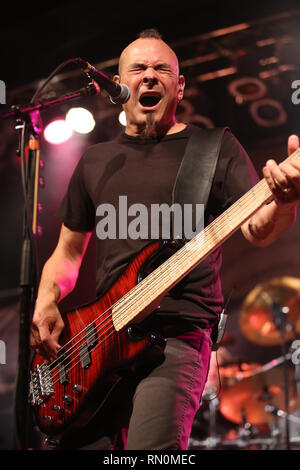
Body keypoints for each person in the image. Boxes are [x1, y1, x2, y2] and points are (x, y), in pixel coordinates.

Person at [30, 28, 300, 450]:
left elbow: (257, 228)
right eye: (138, 68)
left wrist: (283, 200)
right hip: (100, 345)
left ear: (180, 85)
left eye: (162, 69)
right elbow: (67, 253)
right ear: (118, 86)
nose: (150, 76)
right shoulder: (97, 159)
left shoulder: (214, 147)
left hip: (178, 335)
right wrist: (47, 299)